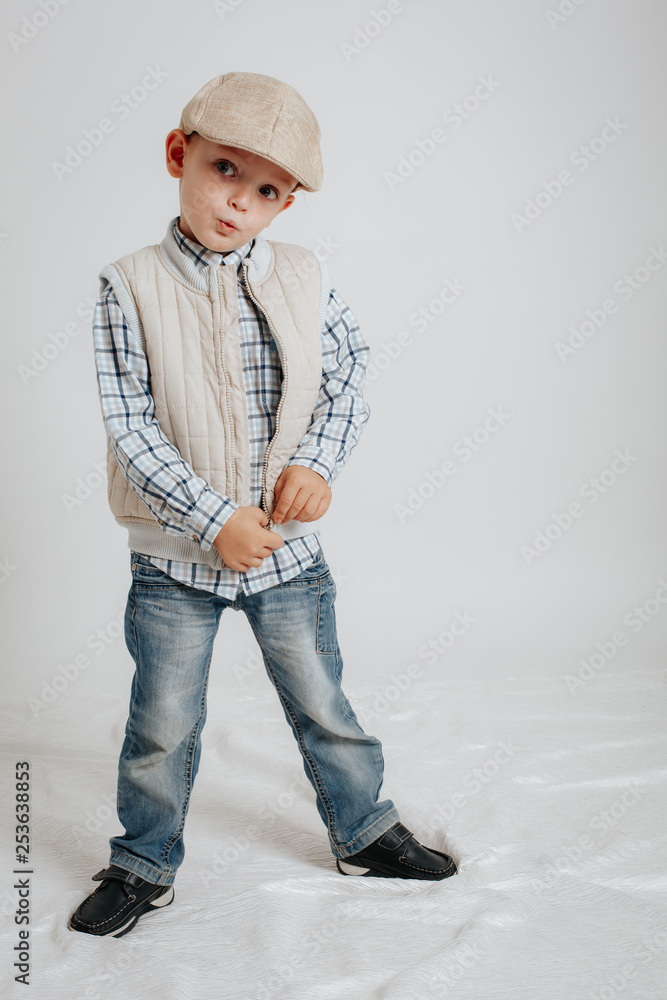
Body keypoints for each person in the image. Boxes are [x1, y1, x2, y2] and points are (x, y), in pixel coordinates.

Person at [68, 71, 456, 939]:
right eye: (224, 170)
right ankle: (143, 860)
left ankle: (363, 830)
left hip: (285, 552)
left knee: (323, 699)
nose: (238, 202)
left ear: (288, 204)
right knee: (163, 724)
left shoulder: (305, 280)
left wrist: (318, 462)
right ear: (179, 155)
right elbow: (129, 422)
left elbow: (348, 373)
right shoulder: (126, 285)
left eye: (267, 190)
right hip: (174, 559)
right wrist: (213, 518)